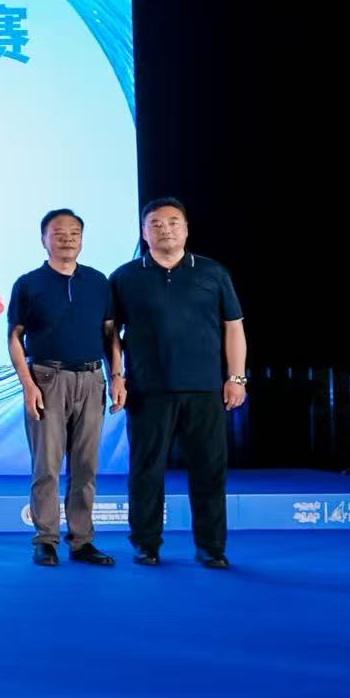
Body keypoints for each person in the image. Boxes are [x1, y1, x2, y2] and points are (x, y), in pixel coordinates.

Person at [108, 197, 247, 569]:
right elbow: (112, 333)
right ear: (144, 232)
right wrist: (116, 375)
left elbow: (234, 327)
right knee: (146, 471)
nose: (164, 229)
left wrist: (236, 377)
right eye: (155, 223)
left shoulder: (213, 272)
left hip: (205, 389)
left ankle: (211, 547)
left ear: (185, 229)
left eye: (172, 222)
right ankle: (146, 543)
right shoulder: (125, 277)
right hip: (147, 390)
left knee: (209, 471)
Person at [7, 209, 117, 568]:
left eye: (74, 232)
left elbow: (110, 334)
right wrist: (28, 385)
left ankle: (82, 541)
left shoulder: (98, 282)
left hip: (92, 379)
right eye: (58, 232)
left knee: (86, 466)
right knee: (47, 466)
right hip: (47, 379)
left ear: (82, 239)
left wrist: (117, 376)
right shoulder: (29, 283)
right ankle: (46, 540)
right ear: (44, 239)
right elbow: (14, 337)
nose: (67, 238)